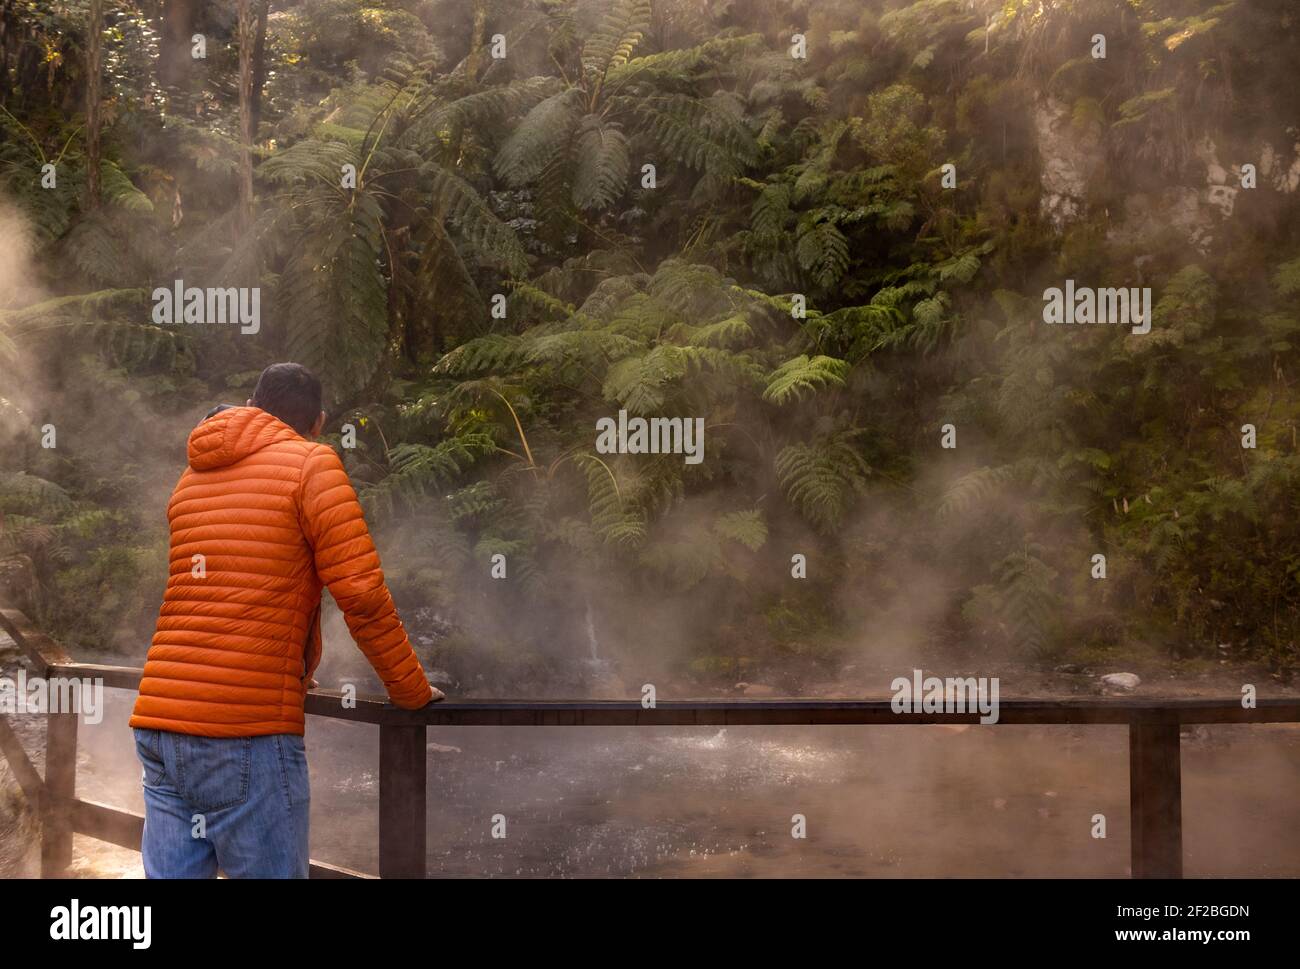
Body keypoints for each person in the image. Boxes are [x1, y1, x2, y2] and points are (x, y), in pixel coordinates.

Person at [128, 362, 441, 878]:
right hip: (243, 731)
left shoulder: (192, 477)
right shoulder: (311, 465)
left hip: (161, 724)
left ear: (252, 404)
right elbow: (360, 594)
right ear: (317, 422)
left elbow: (224, 593)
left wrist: (293, 668)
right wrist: (410, 690)